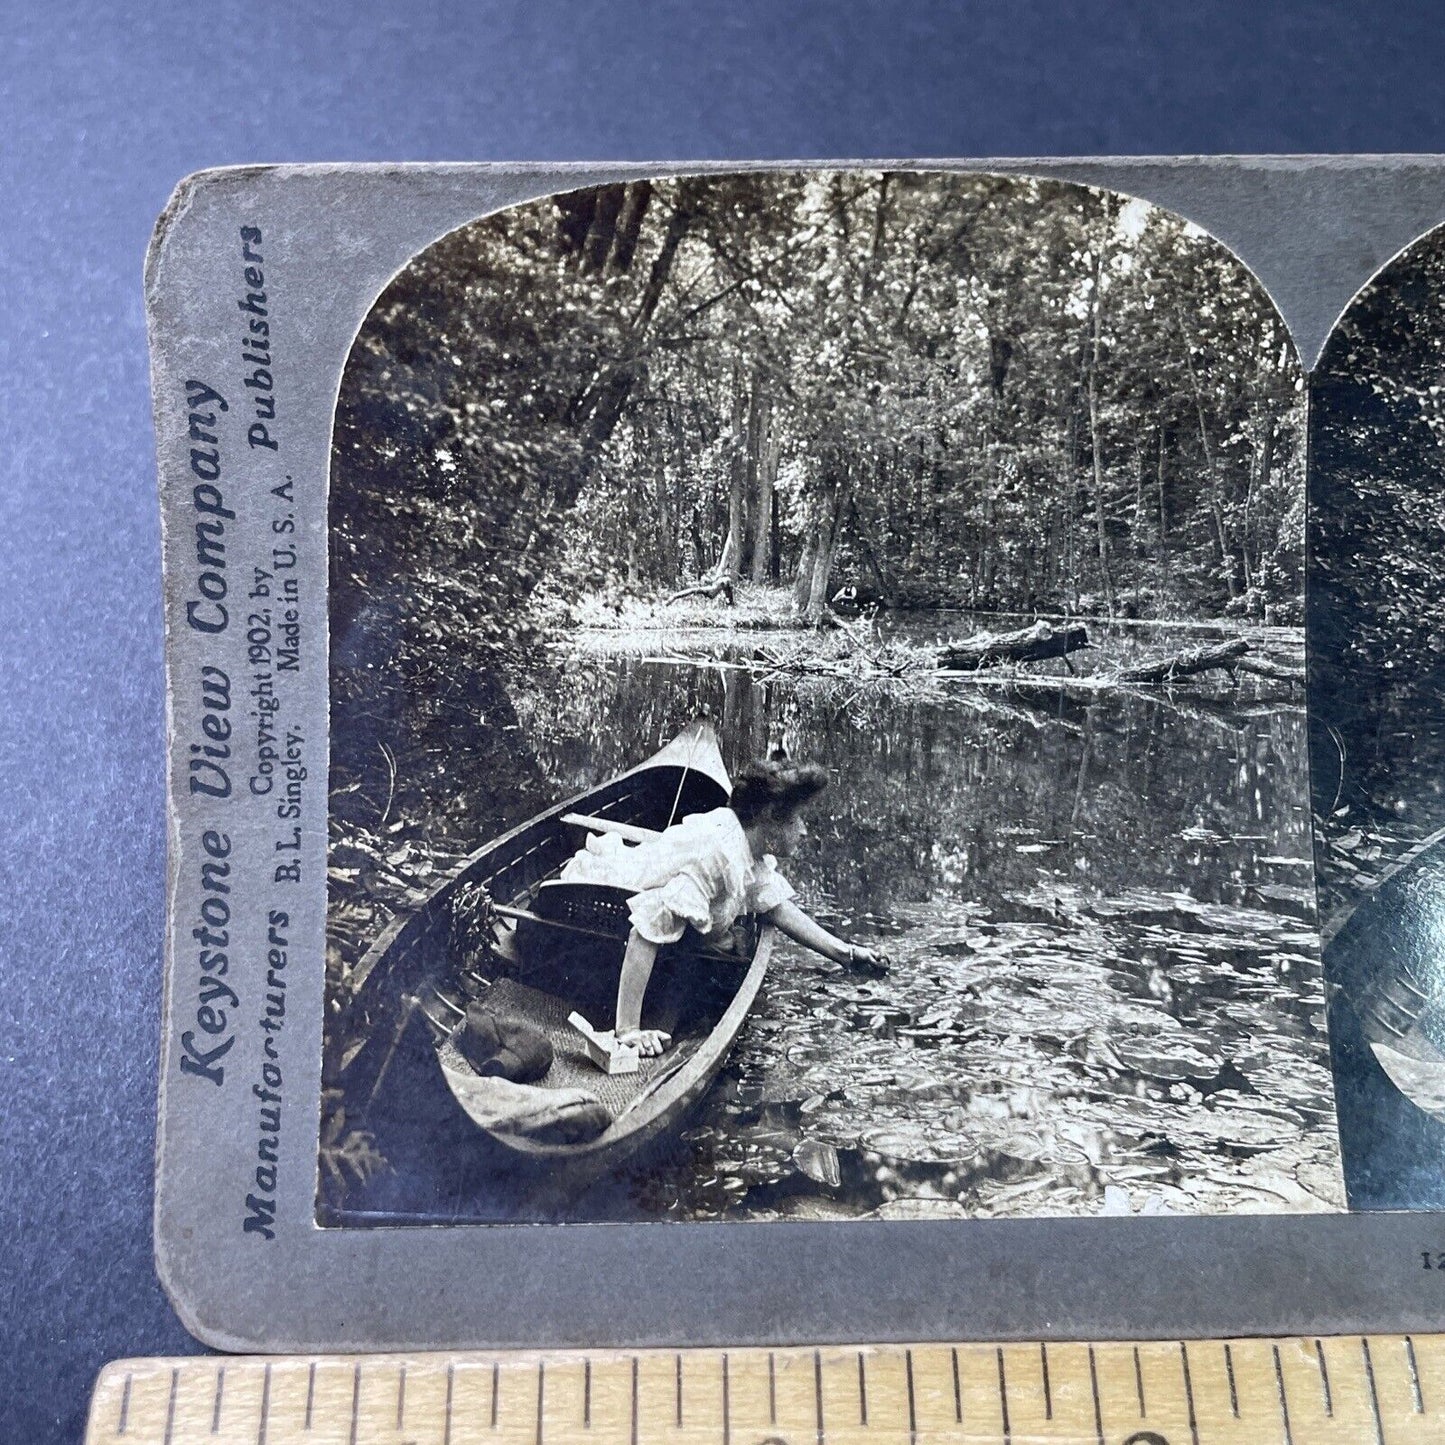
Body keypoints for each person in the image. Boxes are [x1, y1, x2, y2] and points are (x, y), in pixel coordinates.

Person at [559, 757, 889, 1056]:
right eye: (797, 820)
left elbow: (772, 904)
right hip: (605, 902)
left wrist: (845, 953)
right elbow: (645, 930)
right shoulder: (719, 854)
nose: (803, 830)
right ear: (770, 818)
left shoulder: (747, 845)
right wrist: (628, 1030)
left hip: (647, 903)